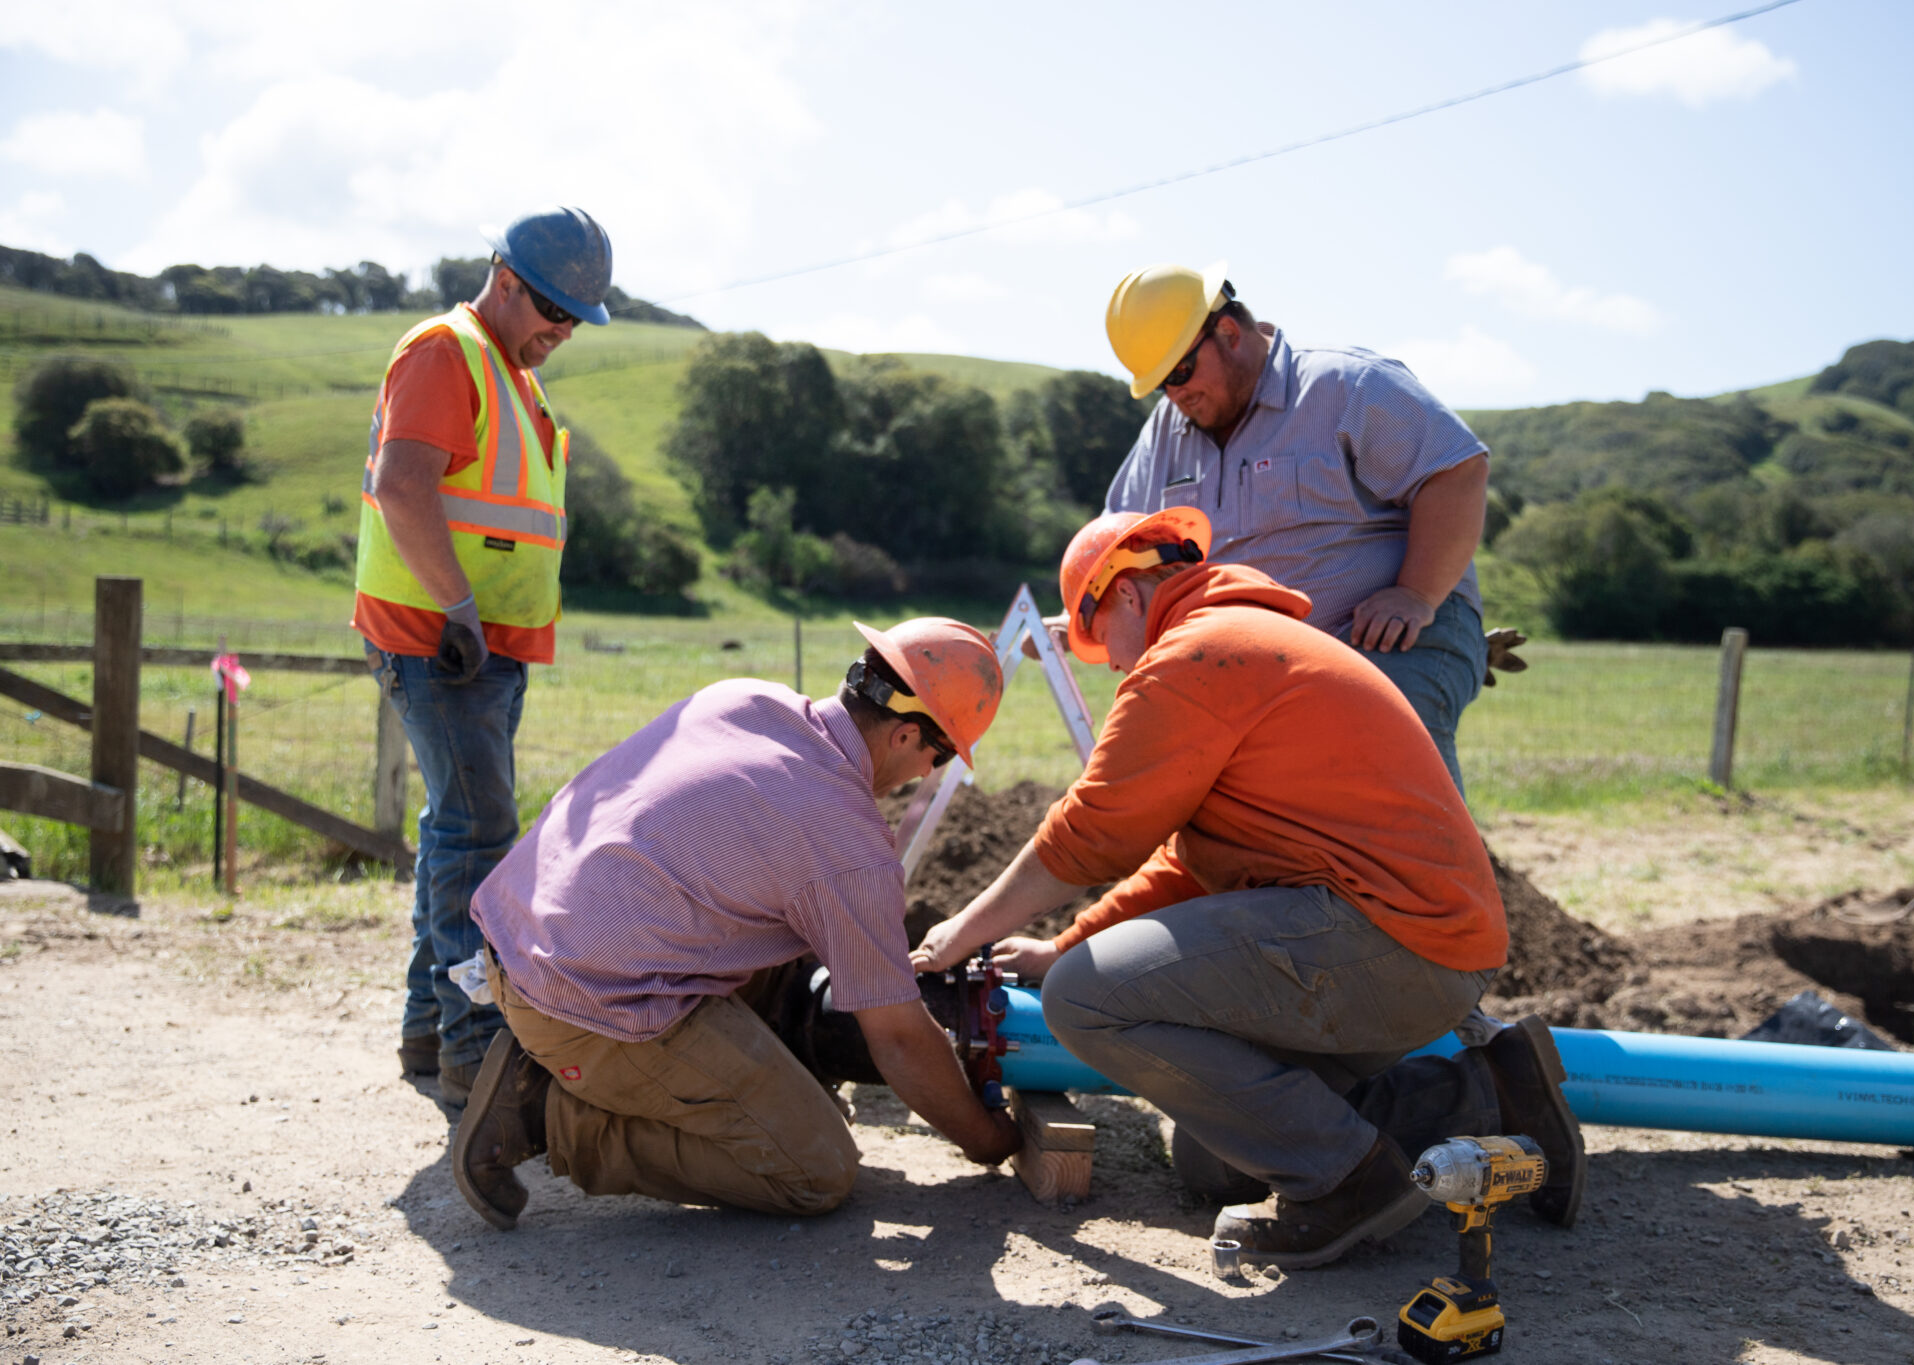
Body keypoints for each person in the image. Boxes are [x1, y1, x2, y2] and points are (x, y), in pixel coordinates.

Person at [912, 509, 1583, 1270]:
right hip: (1419, 945)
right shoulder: (1244, 643)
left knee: (1081, 998)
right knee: (1215, 1157)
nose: (1110, 665)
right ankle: (1493, 1092)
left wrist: (964, 929)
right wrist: (1064, 941)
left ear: (1127, 593)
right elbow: (1187, 866)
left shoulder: (1197, 654)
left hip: (1393, 939)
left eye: (1102, 641)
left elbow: (1093, 831)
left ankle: (1350, 1183)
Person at [450, 620, 1022, 1231]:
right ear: (906, 733)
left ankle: (625, 1068)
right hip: (586, 1000)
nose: (928, 774)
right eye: (937, 756)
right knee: (815, 1168)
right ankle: (548, 1114)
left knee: (790, 940)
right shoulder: (847, 845)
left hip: (521, 934)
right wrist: (985, 1138)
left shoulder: (746, 700)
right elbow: (901, 1038)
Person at [353, 207, 613, 1107]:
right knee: (478, 838)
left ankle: (432, 1032)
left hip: (484, 644)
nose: (564, 331)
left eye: (578, 317)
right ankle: (474, 1052)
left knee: (454, 829)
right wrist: (459, 609)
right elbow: (402, 484)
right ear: (507, 280)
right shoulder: (444, 351)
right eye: (555, 311)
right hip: (443, 640)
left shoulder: (510, 370)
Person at [1095, 261, 1496, 793]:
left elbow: (1456, 471)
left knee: (1384, 745)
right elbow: (1122, 540)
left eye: (1181, 372)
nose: (1175, 395)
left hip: (1394, 634)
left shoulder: (1347, 386)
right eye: (1160, 385)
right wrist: (1083, 610)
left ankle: (1433, 874)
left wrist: (1416, 593)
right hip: (1258, 663)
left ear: (1229, 333)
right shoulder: (1168, 431)